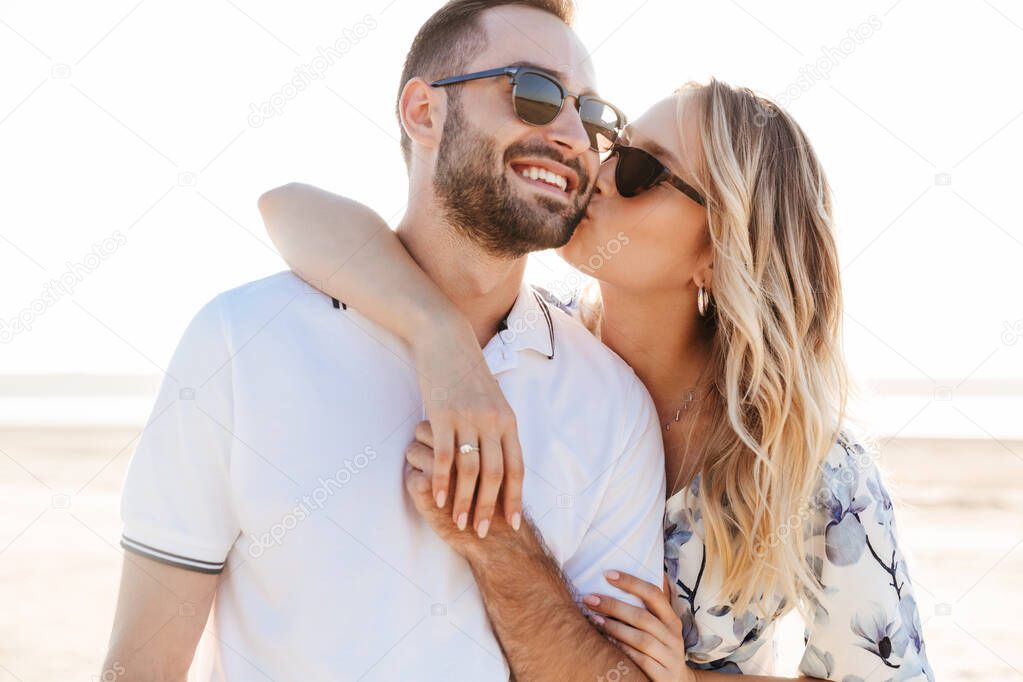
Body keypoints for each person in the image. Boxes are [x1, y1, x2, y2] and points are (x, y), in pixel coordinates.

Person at [258, 77, 935, 681]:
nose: (600, 172)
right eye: (613, 145)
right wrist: (440, 338)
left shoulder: (813, 469)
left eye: (642, 170)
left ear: (720, 254)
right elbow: (288, 209)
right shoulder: (519, 338)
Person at [102, 2, 670, 680]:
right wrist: (442, 339)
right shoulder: (243, 338)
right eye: (534, 93)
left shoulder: (611, 405)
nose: (576, 135)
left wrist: (501, 544)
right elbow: (141, 667)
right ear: (423, 113)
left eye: (592, 113)